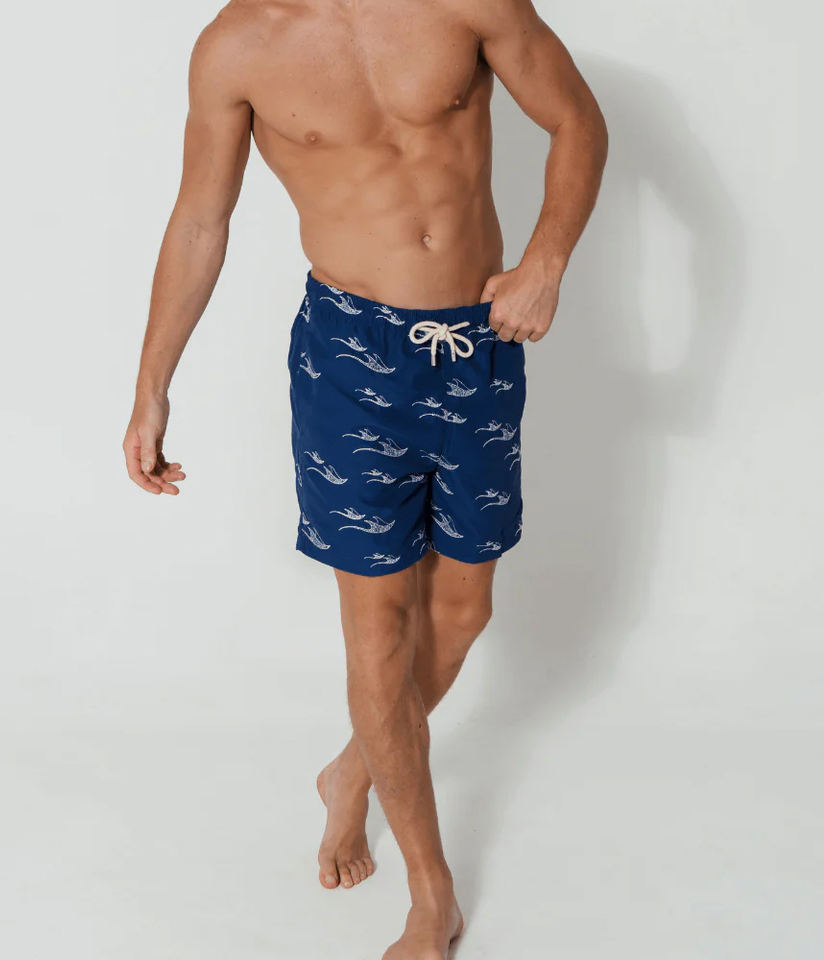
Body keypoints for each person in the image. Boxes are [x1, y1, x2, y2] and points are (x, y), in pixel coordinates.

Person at [122, 1, 607, 956]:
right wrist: (151, 386)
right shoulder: (237, 48)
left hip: (477, 345)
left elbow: (576, 119)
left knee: (462, 614)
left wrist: (546, 259)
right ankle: (432, 892)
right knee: (380, 633)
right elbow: (201, 219)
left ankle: (354, 769)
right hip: (350, 360)